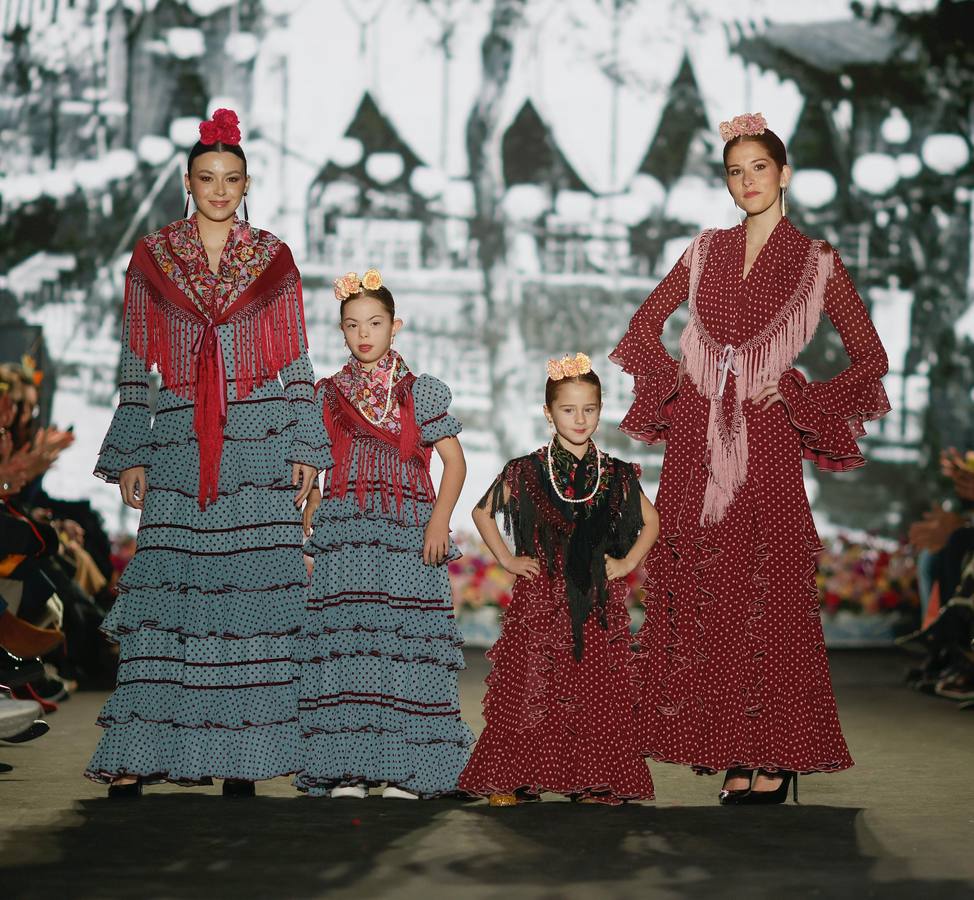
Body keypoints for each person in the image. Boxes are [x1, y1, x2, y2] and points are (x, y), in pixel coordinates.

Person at [611, 112, 890, 805]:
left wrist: (797, 394)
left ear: (783, 172)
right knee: (706, 595)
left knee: (765, 591)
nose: (746, 182)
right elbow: (642, 329)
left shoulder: (818, 260)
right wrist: (678, 380)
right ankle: (733, 749)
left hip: (763, 442)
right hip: (697, 444)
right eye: (735, 172)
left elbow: (872, 360)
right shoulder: (704, 248)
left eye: (758, 168)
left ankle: (775, 751)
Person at [85, 109, 330, 797]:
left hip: (259, 440)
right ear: (187, 182)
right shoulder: (154, 256)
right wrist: (133, 447)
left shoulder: (273, 257)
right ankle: (141, 751)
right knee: (172, 593)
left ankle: (241, 756)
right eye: (205, 178)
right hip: (182, 440)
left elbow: (298, 356)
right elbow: (137, 357)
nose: (218, 190)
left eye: (230, 179)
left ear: (246, 181)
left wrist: (307, 437)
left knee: (249, 597)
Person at [296, 268, 472, 799]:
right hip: (348, 532)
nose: (364, 333)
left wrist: (439, 520)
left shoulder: (420, 392)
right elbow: (320, 463)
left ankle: (408, 770)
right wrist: (314, 505)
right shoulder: (328, 395)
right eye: (353, 325)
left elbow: (454, 463)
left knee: (406, 647)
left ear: (396, 326)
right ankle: (351, 768)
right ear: (342, 330)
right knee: (352, 645)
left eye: (375, 322)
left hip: (407, 531)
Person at [458, 354, 659, 806]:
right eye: (568, 410)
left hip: (593, 603)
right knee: (533, 684)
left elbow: (652, 522)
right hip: (541, 601)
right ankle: (515, 776)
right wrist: (509, 559)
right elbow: (481, 513)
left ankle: (590, 778)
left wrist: (625, 565)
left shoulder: (615, 473)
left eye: (589, 408)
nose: (580, 418)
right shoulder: (528, 470)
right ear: (549, 413)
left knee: (591, 690)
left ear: (601, 410)